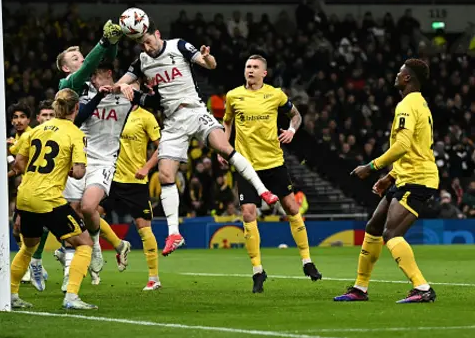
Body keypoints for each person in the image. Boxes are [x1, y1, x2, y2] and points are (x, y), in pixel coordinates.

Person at [116, 24, 279, 256]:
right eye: (142, 43)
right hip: (173, 121)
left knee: (224, 147)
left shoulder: (178, 45)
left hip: (195, 111)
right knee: (165, 174)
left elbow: (210, 65)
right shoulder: (142, 61)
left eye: (149, 41)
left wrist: (207, 57)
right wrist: (120, 86)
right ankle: (174, 234)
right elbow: (121, 83)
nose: (146, 46)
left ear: (158, 34)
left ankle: (262, 190)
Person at [335, 59, 438, 303]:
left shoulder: (407, 105)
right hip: (404, 177)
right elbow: (415, 148)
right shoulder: (420, 103)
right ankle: (360, 288)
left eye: (400, 70)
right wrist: (388, 177)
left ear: (407, 78)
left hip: (417, 180)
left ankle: (422, 288)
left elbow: (402, 146)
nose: (397, 73)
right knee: (373, 227)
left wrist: (371, 167)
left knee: (392, 234)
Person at [220, 55, 322, 293]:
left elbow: (296, 116)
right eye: (247, 67)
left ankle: (307, 261)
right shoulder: (233, 96)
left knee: (292, 209)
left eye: (255, 67)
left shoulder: (276, 94)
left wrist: (291, 130)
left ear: (264, 73)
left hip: (274, 163)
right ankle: (258, 270)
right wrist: (224, 148)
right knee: (248, 213)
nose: (251, 70)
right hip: (246, 165)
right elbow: (227, 123)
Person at [9, 88, 95, 310]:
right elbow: (78, 172)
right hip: (48, 197)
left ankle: (10, 294)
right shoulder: (75, 133)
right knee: (85, 243)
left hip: (25, 196)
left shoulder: (35, 130)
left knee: (28, 247)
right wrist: (64, 169)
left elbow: (18, 162)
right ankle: (72, 296)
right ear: (76, 108)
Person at [55, 21, 125, 279]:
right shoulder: (68, 83)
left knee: (86, 206)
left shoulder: (94, 83)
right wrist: (105, 41)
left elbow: (105, 60)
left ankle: (93, 247)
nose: (82, 60)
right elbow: (86, 72)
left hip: (103, 158)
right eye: (75, 58)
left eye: (82, 56)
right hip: (74, 157)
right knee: (65, 209)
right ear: (66, 66)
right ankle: (48, 257)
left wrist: (113, 43)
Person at [99, 81, 162, 291]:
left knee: (144, 230)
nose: (127, 91)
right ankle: (120, 245)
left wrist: (146, 168)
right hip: (112, 179)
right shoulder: (112, 113)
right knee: (91, 214)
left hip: (136, 181)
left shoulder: (146, 117)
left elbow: (161, 147)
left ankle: (154, 278)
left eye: (132, 88)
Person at [8, 100, 55, 290]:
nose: (19, 121)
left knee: (24, 229)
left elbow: (21, 166)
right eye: (15, 117)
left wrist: (10, 154)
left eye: (22, 117)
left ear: (29, 120)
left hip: (35, 188)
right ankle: (36, 264)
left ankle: (31, 265)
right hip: (23, 189)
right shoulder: (15, 138)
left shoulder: (31, 136)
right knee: (17, 231)